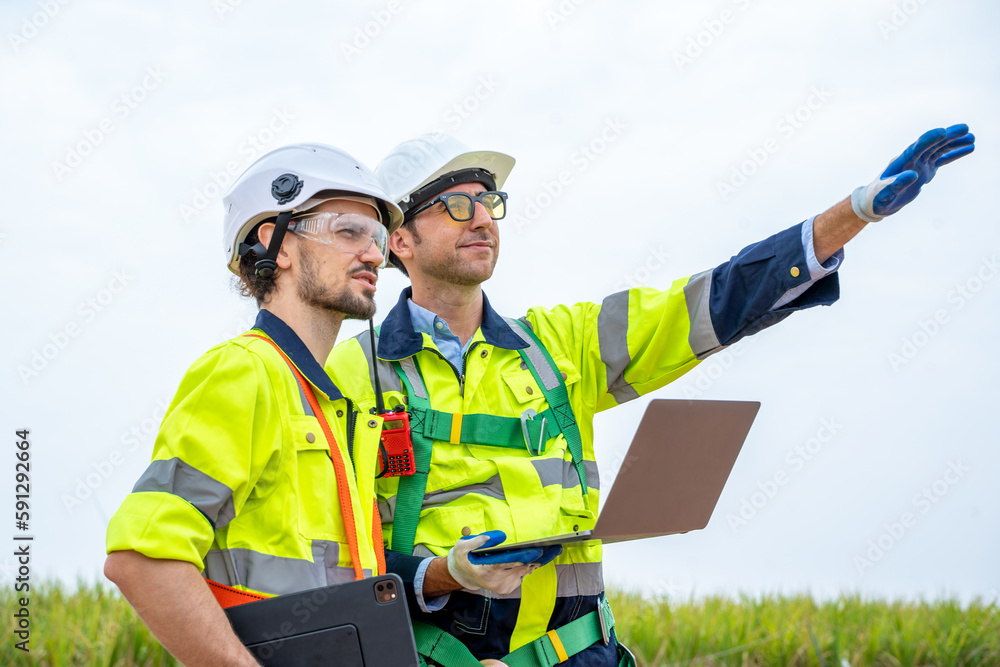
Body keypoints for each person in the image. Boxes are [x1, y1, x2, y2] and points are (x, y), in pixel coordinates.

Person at [325, 126, 975, 667]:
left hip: (587, 654)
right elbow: (332, 550)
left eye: (489, 200)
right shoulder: (356, 373)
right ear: (400, 240)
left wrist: (850, 215)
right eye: (456, 204)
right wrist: (442, 574)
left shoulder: (561, 345)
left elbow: (709, 301)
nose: (482, 219)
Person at [103, 143, 404, 666]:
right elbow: (141, 559)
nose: (376, 254)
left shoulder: (330, 402)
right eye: (349, 231)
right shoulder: (246, 371)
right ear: (278, 243)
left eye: (376, 237)